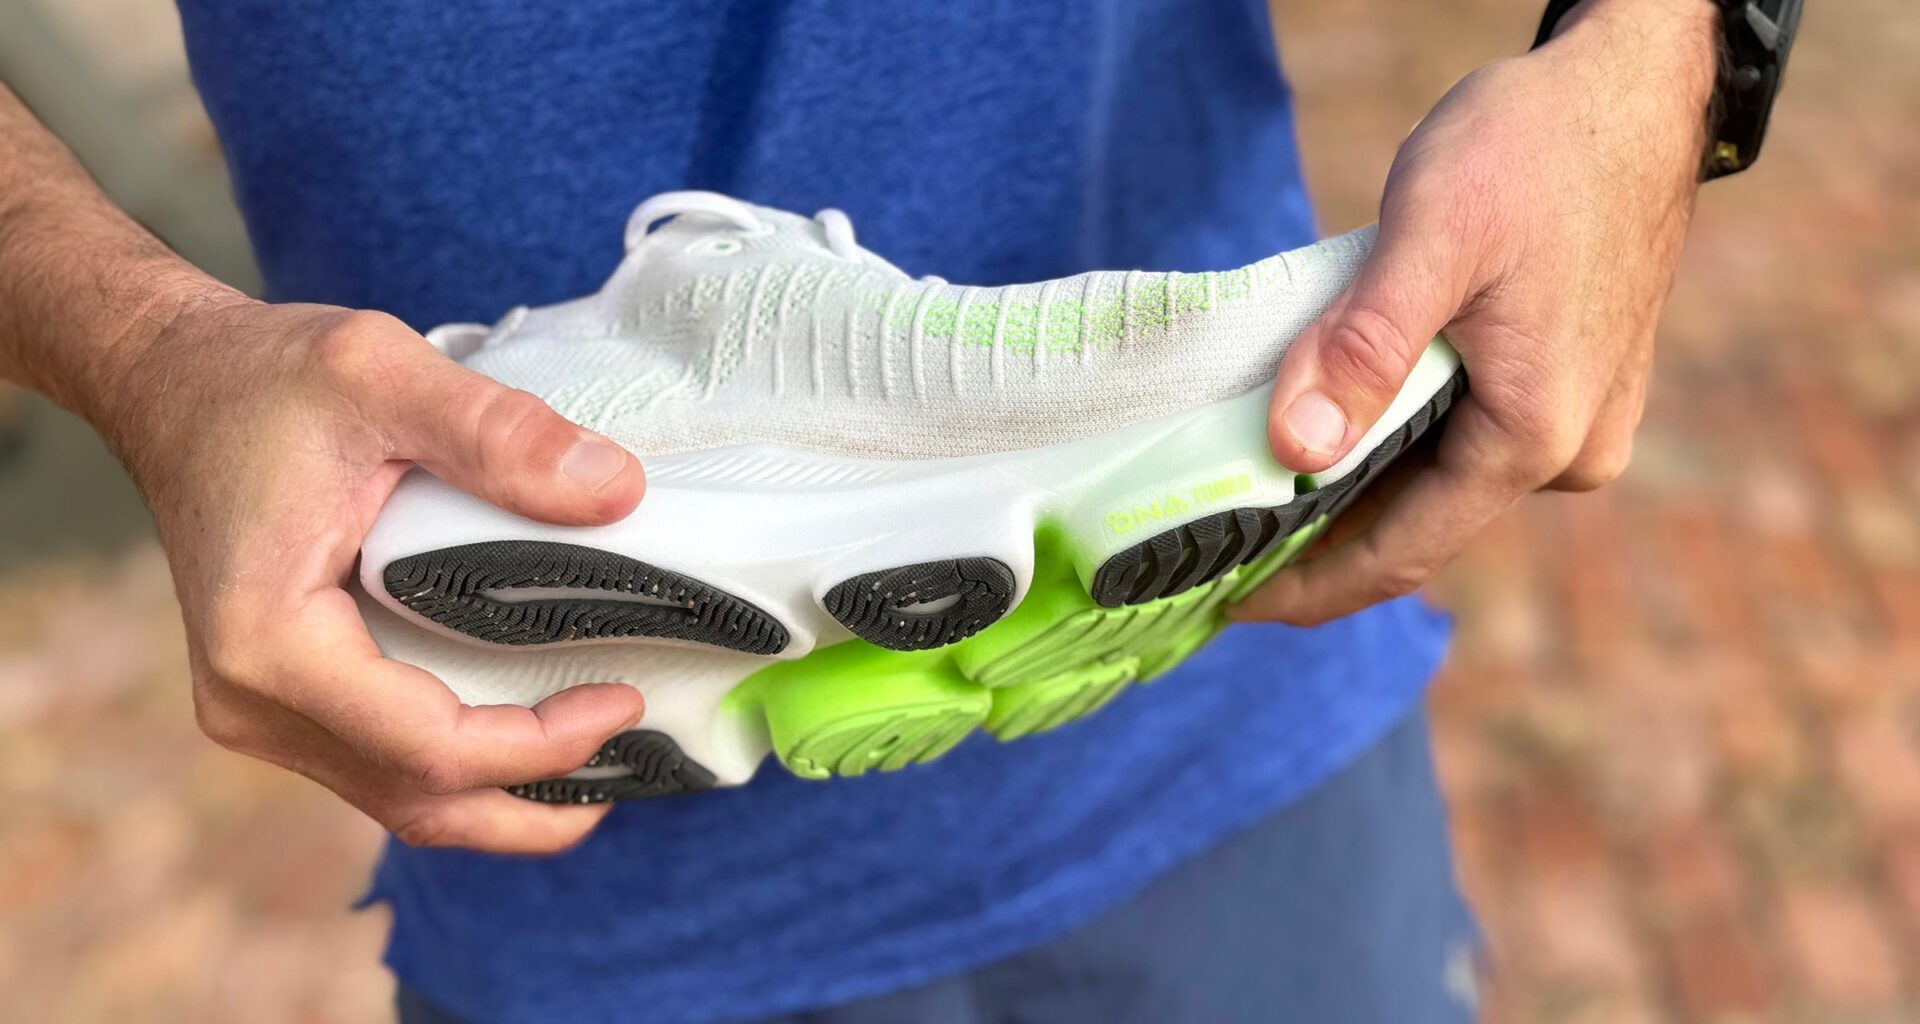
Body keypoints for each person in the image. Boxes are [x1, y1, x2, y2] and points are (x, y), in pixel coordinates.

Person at [0, 0, 1725, 1020]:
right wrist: (152, 349)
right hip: (612, 932)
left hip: (1240, 724)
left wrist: (1663, 47)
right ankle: (645, 376)